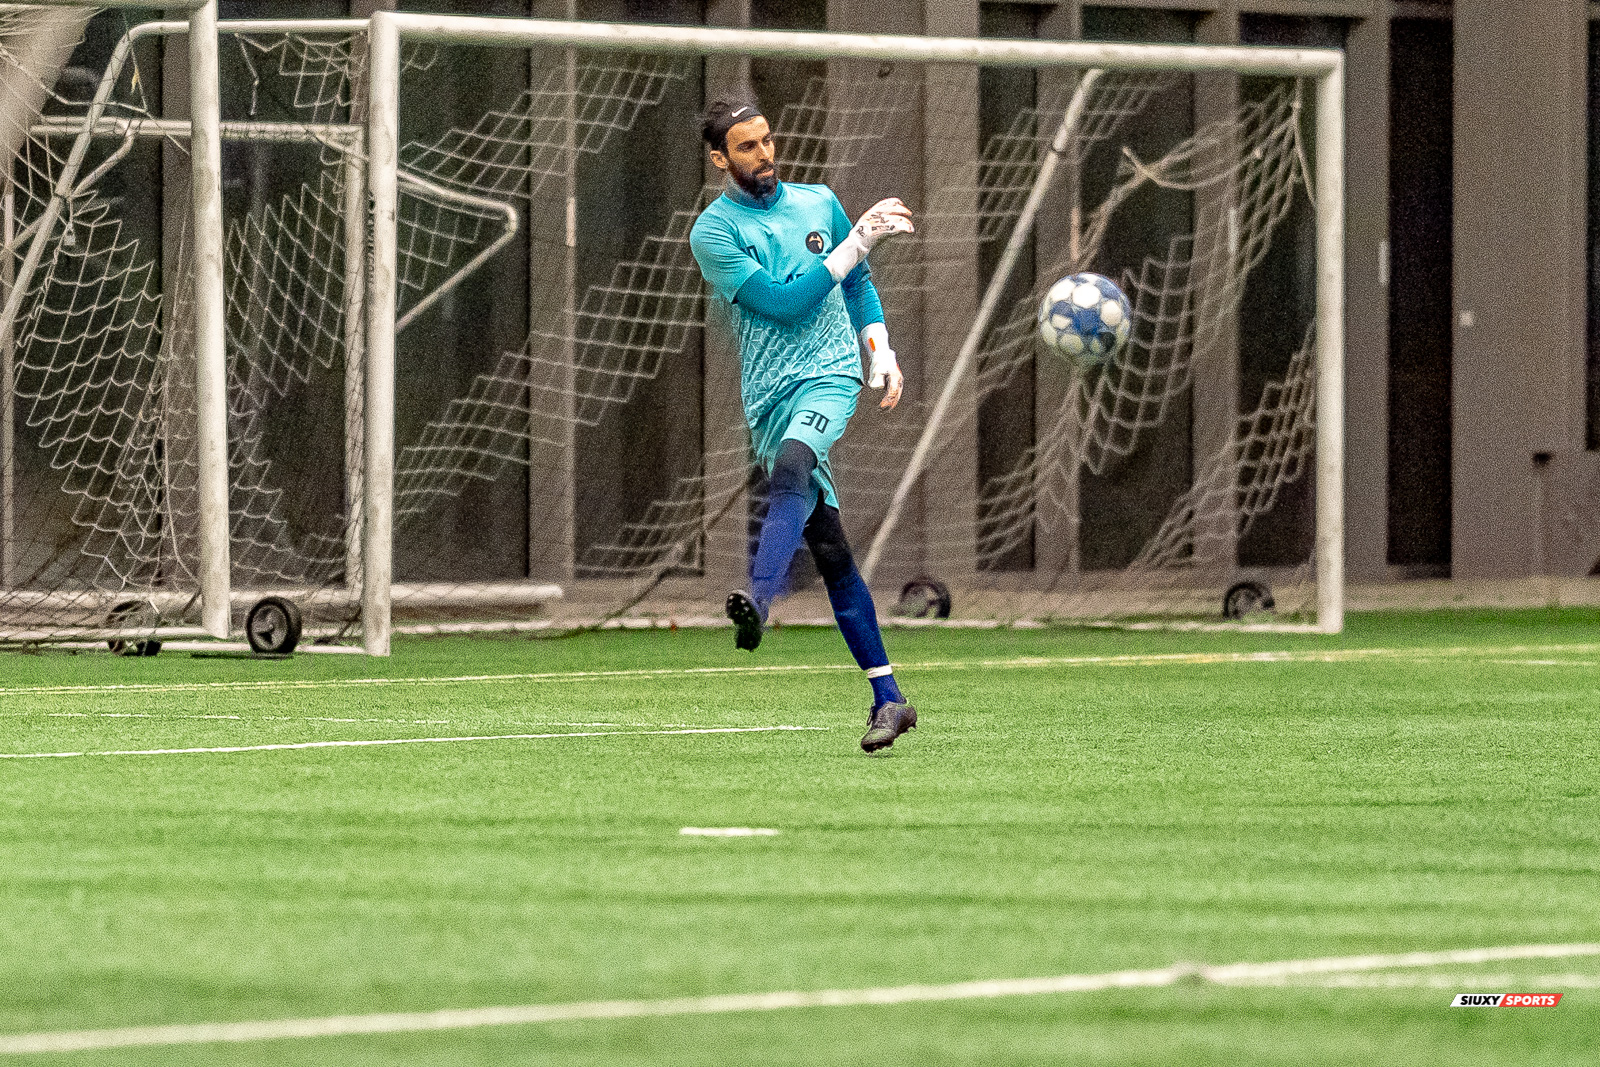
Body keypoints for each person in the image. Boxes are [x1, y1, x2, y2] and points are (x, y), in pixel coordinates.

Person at [689, 96, 919, 754]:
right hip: (769, 398)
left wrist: (879, 350)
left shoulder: (818, 201)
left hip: (829, 375)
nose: (764, 155)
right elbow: (783, 304)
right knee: (832, 552)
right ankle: (890, 699)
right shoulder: (714, 232)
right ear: (719, 159)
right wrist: (856, 243)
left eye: (766, 141)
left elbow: (857, 283)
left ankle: (760, 601)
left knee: (791, 468)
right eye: (747, 147)